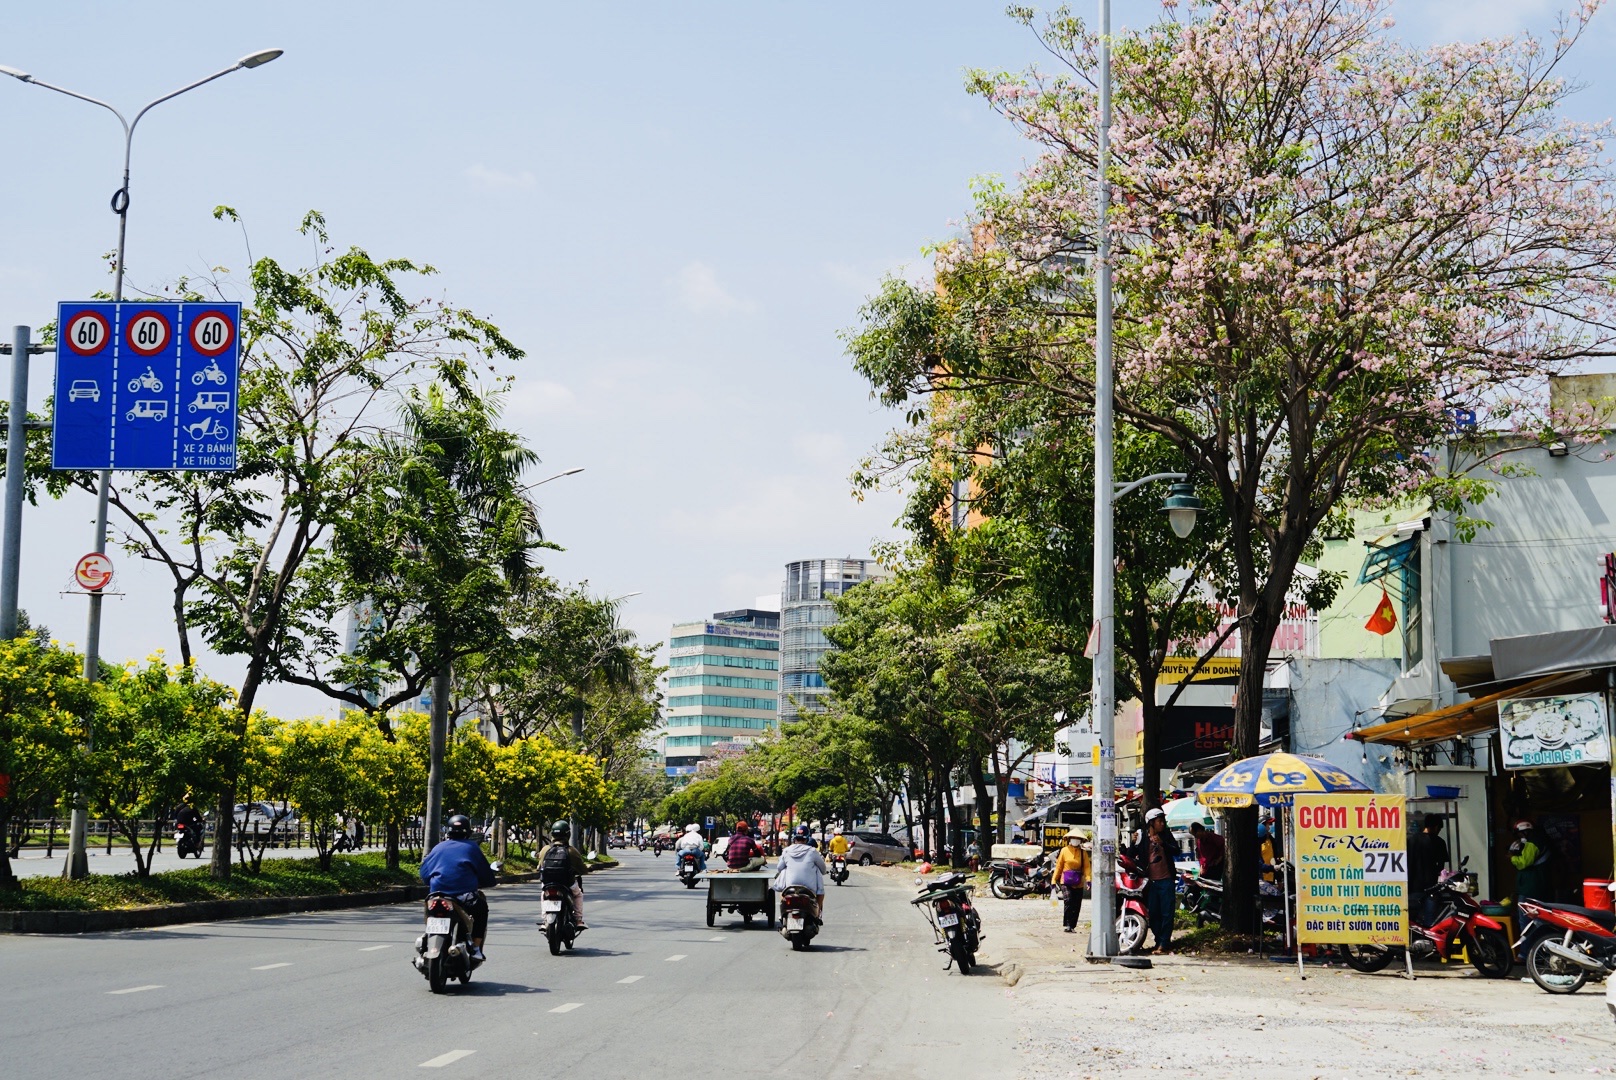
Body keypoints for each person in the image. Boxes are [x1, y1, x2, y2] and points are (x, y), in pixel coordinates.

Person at [418, 814, 498, 960]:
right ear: (468, 832)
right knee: (482, 909)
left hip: (436, 896)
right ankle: (475, 948)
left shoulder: (438, 848)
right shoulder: (472, 848)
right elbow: (486, 875)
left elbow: (424, 874)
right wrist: (488, 881)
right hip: (463, 897)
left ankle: (425, 941)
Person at [1130, 807, 1180, 954]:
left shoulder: (1166, 835)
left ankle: (1164, 944)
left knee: (1167, 913)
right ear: (1151, 823)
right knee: (1154, 914)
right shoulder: (1141, 837)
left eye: (1162, 821)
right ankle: (1158, 941)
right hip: (1150, 882)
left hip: (1166, 880)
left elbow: (1176, 851)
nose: (1162, 824)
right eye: (1159, 821)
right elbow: (1130, 855)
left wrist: (1163, 843)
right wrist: (1133, 843)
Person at [536, 820, 589, 930]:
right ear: (568, 834)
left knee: (543, 894)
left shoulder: (545, 849)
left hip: (547, 884)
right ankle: (578, 920)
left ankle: (545, 920)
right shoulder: (571, 851)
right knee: (578, 895)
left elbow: (539, 867)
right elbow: (582, 869)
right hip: (566, 883)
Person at [773, 823, 828, 917]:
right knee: (818, 874)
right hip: (809, 888)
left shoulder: (786, 851)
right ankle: (818, 912)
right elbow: (823, 870)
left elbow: (779, 868)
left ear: (794, 838)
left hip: (789, 887)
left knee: (784, 870)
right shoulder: (812, 851)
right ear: (807, 838)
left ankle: (783, 913)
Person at [1050, 831, 1091, 933]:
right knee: (1068, 900)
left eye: (1077, 839)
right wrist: (1054, 880)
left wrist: (1089, 880)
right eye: (1073, 838)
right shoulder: (1064, 851)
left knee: (1076, 904)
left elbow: (1087, 867)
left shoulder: (1083, 853)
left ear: (1080, 841)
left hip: (1078, 881)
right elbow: (1059, 867)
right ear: (1069, 840)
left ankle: (1072, 925)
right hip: (1066, 881)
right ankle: (1067, 924)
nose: (1075, 840)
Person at [1509, 818, 1553, 902]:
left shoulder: (1532, 843)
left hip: (1531, 887)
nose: (1520, 836)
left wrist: (1512, 857)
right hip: (1538, 885)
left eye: (1520, 834)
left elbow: (1523, 863)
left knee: (1525, 912)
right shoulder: (1540, 840)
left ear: (1526, 832)